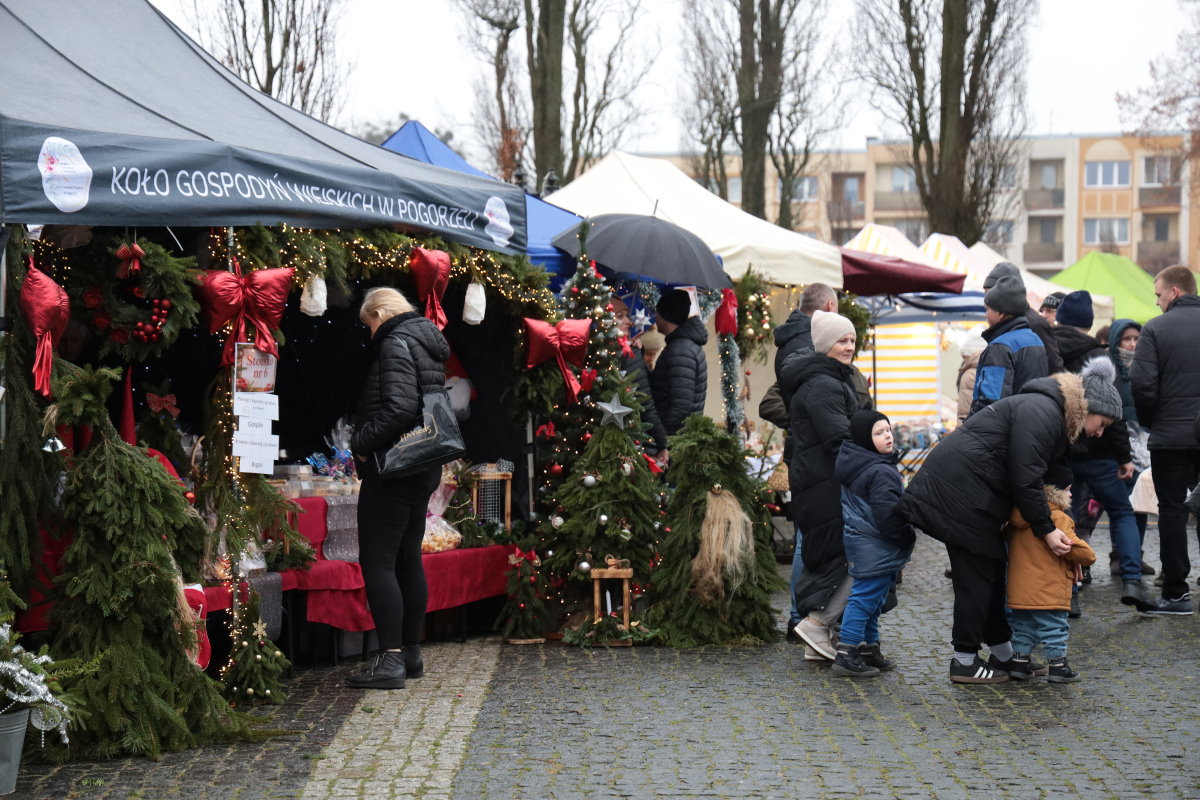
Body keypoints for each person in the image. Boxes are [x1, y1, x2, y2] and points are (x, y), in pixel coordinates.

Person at [899, 368, 1116, 684]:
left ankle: (1004, 654)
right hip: (961, 491)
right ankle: (964, 661)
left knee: (991, 573)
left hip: (970, 491)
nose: (1100, 433)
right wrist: (1047, 529)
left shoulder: (1048, 411)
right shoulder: (1045, 411)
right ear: (1087, 409)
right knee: (975, 579)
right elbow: (1026, 476)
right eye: (1103, 424)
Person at [347, 287, 450, 689]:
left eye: (368, 323)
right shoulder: (425, 341)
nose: (369, 332)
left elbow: (399, 408)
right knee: (408, 558)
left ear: (380, 314)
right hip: (424, 466)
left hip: (394, 467)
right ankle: (410, 654)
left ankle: (390, 659)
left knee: (378, 561)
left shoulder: (395, 342)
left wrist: (360, 444)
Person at [1050, 293, 1155, 613]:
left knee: (1065, 514)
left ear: (1060, 318)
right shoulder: (1100, 357)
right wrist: (1124, 458)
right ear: (1089, 323)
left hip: (1062, 451)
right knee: (1122, 511)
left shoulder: (1048, 348)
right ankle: (1132, 579)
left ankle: (1069, 592)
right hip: (1101, 454)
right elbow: (1116, 412)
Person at [779, 310, 864, 660]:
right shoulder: (824, 384)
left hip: (819, 480)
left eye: (852, 340)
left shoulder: (828, 378)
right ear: (826, 344)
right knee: (845, 558)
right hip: (826, 482)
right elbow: (838, 439)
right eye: (842, 340)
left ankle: (819, 638)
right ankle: (817, 623)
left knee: (828, 558)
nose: (849, 347)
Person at [769, 283, 837, 646]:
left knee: (807, 535)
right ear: (829, 306)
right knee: (808, 537)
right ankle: (801, 616)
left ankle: (806, 615)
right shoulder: (808, 343)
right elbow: (807, 403)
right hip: (812, 452)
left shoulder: (791, 339)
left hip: (803, 448)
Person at [1130, 264, 1200, 615]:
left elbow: (1142, 384)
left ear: (1174, 291)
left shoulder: (1156, 329)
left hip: (1170, 436)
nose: (1156, 302)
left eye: (1158, 294)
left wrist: (1152, 422)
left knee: (1172, 511)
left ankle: (1176, 593)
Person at [831, 410, 915, 677]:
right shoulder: (879, 470)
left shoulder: (861, 463)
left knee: (874, 599)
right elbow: (888, 516)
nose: (888, 436)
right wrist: (906, 536)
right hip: (876, 544)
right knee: (864, 599)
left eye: (888, 430)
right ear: (865, 439)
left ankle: (869, 647)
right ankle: (847, 652)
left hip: (866, 542)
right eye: (879, 433)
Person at [1004, 474, 1096, 683]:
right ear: (1054, 494)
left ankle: (1020, 663)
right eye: (1067, 490)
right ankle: (1058, 667)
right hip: (1049, 587)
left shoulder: (1015, 519)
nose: (1070, 494)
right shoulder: (1058, 518)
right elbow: (1082, 553)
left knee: (1023, 628)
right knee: (1055, 628)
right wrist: (1084, 556)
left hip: (1020, 589)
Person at [1104, 319, 1155, 577]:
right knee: (1120, 504)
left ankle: (1135, 554)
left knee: (1140, 499)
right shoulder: (1109, 368)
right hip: (1117, 442)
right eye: (1127, 339)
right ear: (1116, 341)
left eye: (1137, 339)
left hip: (1144, 443)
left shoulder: (1147, 365)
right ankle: (1120, 555)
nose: (1133, 344)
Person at [969, 274, 1049, 416]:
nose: (986, 315)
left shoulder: (1000, 347)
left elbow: (990, 405)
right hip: (1033, 421)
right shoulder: (1036, 340)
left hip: (1007, 426)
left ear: (1001, 313)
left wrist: (969, 426)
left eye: (988, 309)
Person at [611, 296, 668, 465]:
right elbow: (644, 402)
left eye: (627, 315)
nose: (629, 322)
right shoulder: (629, 354)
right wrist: (662, 443)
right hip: (632, 442)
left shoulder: (594, 353)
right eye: (620, 316)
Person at [983, 262, 1064, 374]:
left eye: (990, 294)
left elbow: (1054, 366)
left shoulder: (1034, 323)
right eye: (986, 294)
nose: (987, 301)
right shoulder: (1006, 324)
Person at [649, 289, 707, 437]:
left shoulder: (680, 350)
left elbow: (681, 406)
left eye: (657, 312)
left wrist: (663, 439)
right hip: (681, 437)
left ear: (665, 315)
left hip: (675, 439)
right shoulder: (683, 346)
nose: (655, 317)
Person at [955, 331, 987, 424]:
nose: (964, 360)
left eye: (964, 357)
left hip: (971, 428)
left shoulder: (969, 375)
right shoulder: (990, 369)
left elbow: (964, 414)